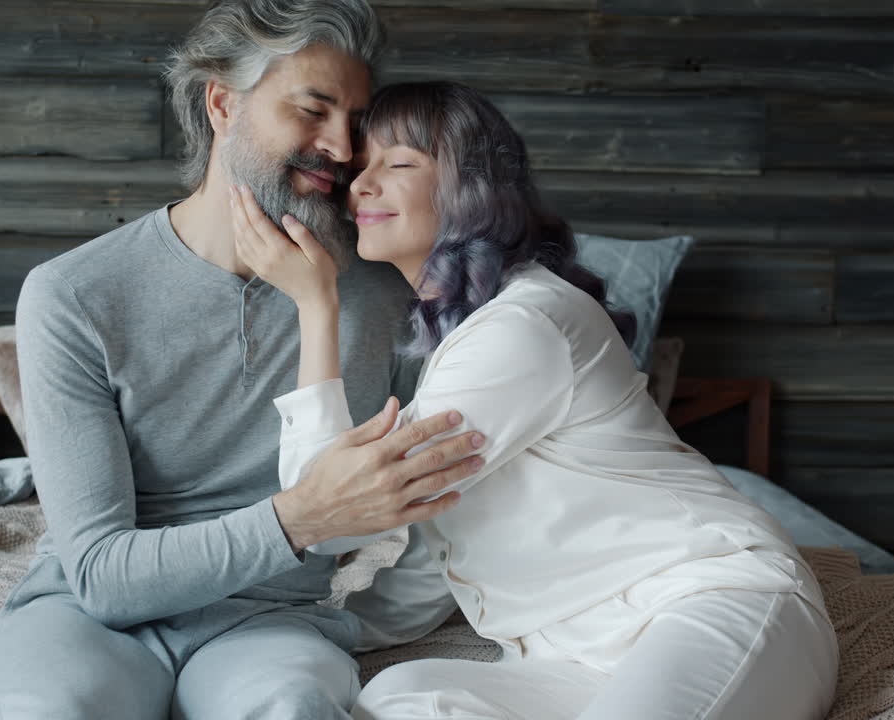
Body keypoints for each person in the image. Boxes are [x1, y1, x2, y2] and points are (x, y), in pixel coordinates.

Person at [233, 81, 840, 720]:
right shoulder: (465, 341)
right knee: (397, 697)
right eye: (360, 167)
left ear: (471, 190)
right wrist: (305, 627)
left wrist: (314, 304)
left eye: (400, 163)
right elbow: (428, 564)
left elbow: (334, 509)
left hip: (709, 599)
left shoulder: (522, 326)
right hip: (574, 655)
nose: (360, 184)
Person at [0, 4, 487, 719]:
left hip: (270, 621)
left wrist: (366, 608)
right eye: (313, 109)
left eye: (356, 121)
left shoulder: (385, 292)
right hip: (90, 619)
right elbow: (98, 575)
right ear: (222, 103)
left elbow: (438, 486)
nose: (342, 146)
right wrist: (298, 517)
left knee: (293, 708)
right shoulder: (74, 294)